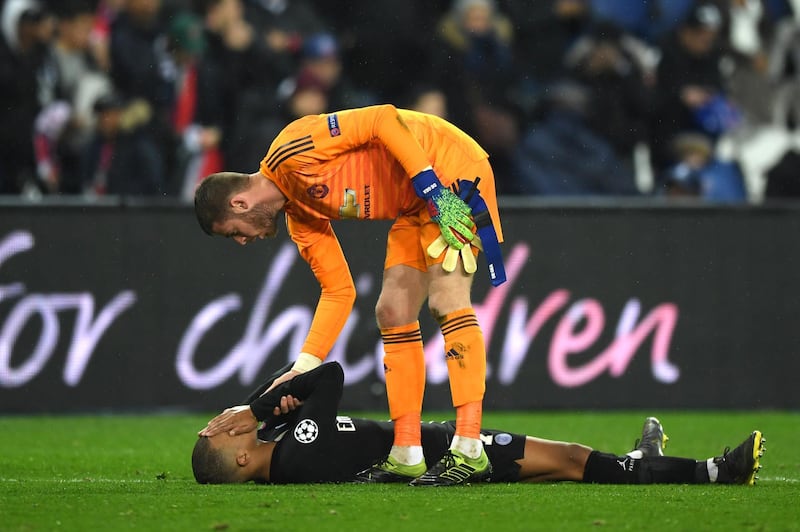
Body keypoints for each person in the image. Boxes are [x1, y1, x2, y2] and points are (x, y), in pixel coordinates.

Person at [193, 103, 506, 486]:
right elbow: (338, 291)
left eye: (233, 231)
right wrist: (302, 369)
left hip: (448, 172)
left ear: (239, 203)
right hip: (414, 203)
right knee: (391, 311)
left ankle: (470, 448)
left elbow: (382, 118)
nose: (242, 241)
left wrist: (430, 186)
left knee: (446, 299)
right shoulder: (301, 218)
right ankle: (407, 452)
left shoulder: (291, 148)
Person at [192, 362, 766, 486]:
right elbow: (330, 375)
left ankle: (645, 459)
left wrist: (262, 407)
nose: (240, 422)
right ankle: (715, 472)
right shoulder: (296, 450)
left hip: (431, 454)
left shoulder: (287, 454)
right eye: (235, 431)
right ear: (242, 458)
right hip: (445, 452)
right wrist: (262, 406)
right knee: (570, 458)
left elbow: (297, 385)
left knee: (567, 472)